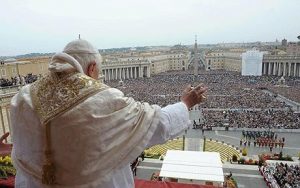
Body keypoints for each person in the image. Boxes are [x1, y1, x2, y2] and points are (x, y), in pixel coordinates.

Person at [10, 39, 207, 188]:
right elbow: (157, 123)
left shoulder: (23, 96)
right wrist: (184, 104)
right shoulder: (102, 100)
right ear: (92, 68)